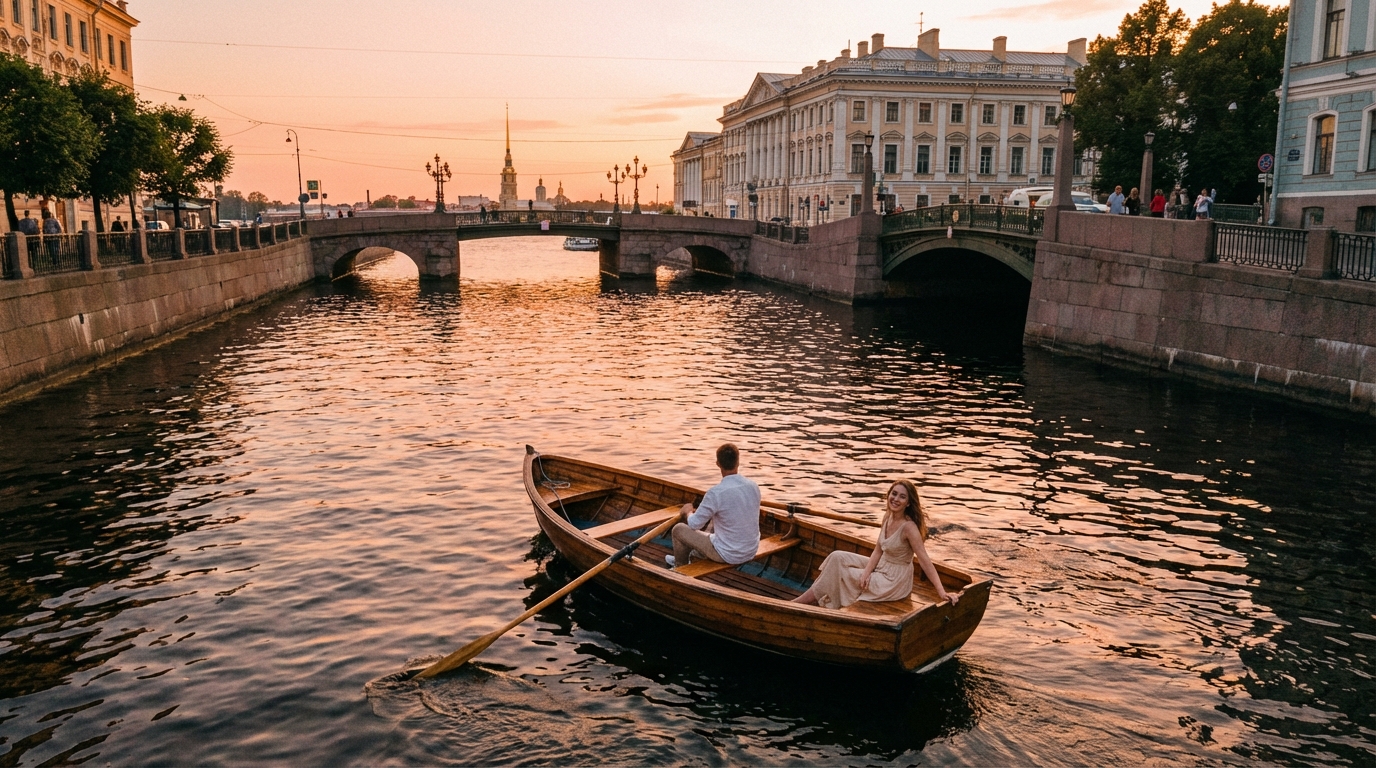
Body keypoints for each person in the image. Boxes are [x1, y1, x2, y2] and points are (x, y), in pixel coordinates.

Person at [794, 479, 960, 609]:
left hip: (894, 580)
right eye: (894, 494)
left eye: (902, 497)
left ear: (908, 503)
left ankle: (801, 601)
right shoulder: (888, 517)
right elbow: (878, 550)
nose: (896, 499)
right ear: (888, 495)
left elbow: (924, 560)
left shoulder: (909, 528)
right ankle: (817, 597)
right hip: (882, 564)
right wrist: (866, 572)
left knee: (842, 574)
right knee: (837, 557)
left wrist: (941, 592)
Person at [667, 443, 761, 569]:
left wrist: (687, 512)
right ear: (738, 462)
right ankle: (690, 555)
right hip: (751, 550)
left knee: (678, 529)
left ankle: (680, 567)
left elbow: (694, 524)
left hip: (728, 554)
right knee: (712, 525)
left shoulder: (715, 493)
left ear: (718, 464)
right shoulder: (753, 486)